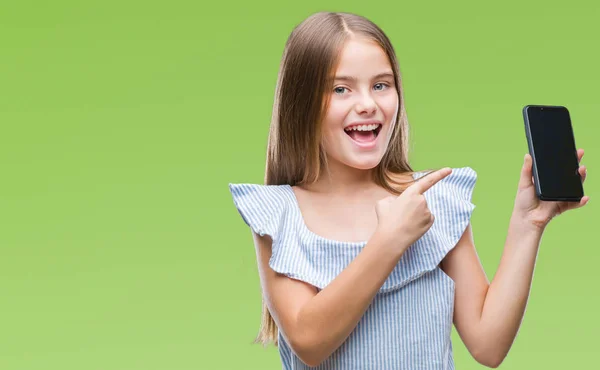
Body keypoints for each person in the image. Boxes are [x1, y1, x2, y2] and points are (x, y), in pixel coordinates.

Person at [228, 11, 589, 369]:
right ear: (301, 104)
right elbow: (309, 341)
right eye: (341, 89)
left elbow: (488, 345)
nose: (368, 103)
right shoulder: (279, 213)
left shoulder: (432, 199)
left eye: (381, 85)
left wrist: (528, 224)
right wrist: (389, 240)